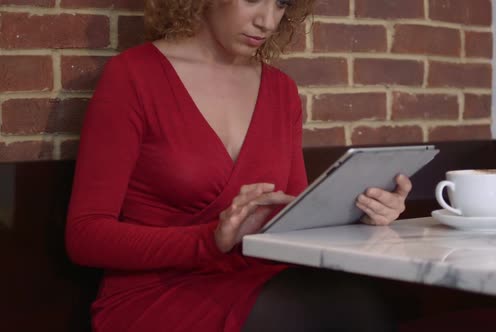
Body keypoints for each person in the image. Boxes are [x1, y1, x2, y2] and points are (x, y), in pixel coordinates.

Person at [65, 0, 413, 331]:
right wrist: (208, 240)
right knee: (333, 311)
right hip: (157, 293)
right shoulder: (133, 75)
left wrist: (363, 216)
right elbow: (85, 236)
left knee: (358, 302)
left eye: (281, 3)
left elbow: (293, 221)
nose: (268, 21)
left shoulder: (282, 90)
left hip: (262, 280)